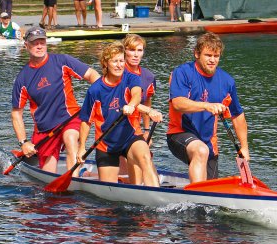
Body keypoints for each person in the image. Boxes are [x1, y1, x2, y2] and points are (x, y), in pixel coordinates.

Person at [11, 26, 100, 174]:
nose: (39, 46)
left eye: (42, 42)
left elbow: (92, 75)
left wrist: (100, 94)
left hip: (70, 118)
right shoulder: (22, 79)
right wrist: (24, 143)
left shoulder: (62, 61)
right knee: (48, 173)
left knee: (71, 139)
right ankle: (81, 171)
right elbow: (16, 114)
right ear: (26, 45)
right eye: (34, 43)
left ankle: (74, 182)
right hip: (45, 129)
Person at [166, 32, 249, 183]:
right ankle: (196, 201)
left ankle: (201, 195)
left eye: (216, 56)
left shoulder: (227, 81)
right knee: (200, 151)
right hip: (179, 134)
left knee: (210, 183)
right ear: (197, 54)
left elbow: (237, 116)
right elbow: (178, 103)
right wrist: (207, 106)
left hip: (209, 143)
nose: (212, 60)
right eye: (208, 55)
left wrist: (244, 147)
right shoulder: (183, 73)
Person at [77, 41, 163, 186]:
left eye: (122, 61)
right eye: (114, 61)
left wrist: (131, 105)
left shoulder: (131, 78)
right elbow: (86, 121)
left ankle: (157, 196)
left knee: (145, 157)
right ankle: (87, 174)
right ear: (106, 63)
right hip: (106, 145)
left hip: (131, 137)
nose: (119, 65)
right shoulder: (95, 90)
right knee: (109, 191)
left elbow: (136, 94)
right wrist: (81, 148)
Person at [121, 34, 158, 183]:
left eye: (139, 50)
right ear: (124, 51)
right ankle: (88, 175)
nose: (136, 54)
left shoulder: (148, 77)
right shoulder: (118, 71)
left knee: (145, 168)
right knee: (128, 177)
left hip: (136, 129)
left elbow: (147, 102)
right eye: (131, 50)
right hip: (116, 127)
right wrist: (148, 111)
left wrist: (147, 131)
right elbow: (127, 101)